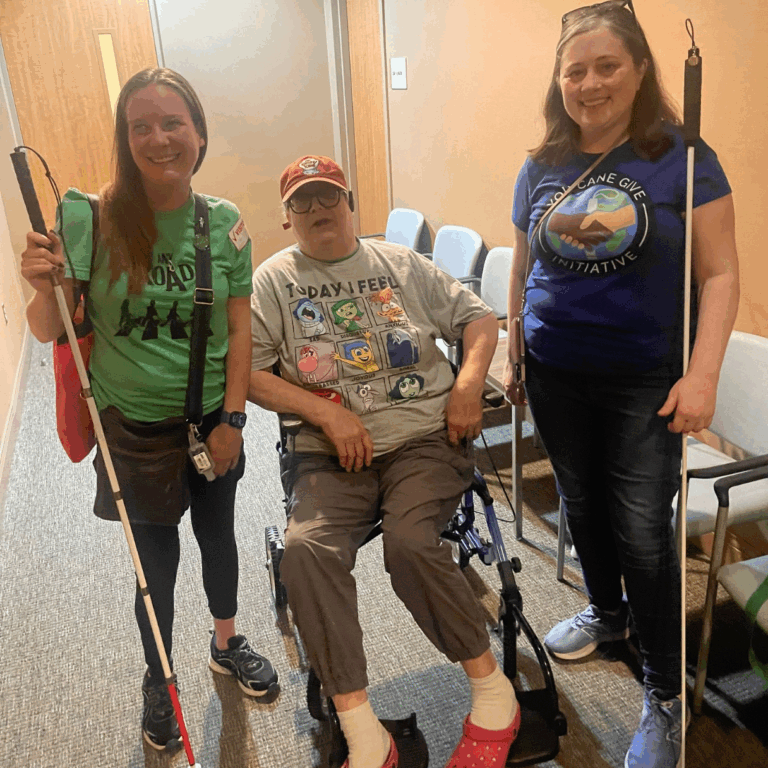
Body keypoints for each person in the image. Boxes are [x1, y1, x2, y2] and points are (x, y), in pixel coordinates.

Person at [502, 3, 739, 767]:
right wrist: (514, 349)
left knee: (642, 530)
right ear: (558, 81)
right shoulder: (542, 163)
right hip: (554, 369)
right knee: (580, 506)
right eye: (575, 70)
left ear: (640, 70)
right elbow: (521, 264)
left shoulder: (683, 156)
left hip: (644, 379)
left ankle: (665, 694)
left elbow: (722, 273)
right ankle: (607, 615)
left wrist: (702, 375)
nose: (590, 82)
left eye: (608, 66)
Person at [20, 67, 278, 751]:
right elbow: (50, 328)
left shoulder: (223, 224)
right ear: (124, 137)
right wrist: (41, 284)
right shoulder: (89, 217)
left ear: (199, 134)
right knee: (154, 569)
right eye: (141, 126)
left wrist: (233, 421)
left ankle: (227, 642)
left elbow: (241, 331)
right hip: (130, 430)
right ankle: (158, 679)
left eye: (173, 124)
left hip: (210, 421)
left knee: (218, 541)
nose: (159, 138)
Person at [249, 155, 519, 768]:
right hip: (327, 452)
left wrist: (468, 385)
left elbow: (478, 320)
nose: (318, 211)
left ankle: (491, 689)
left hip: (422, 439)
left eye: (329, 198)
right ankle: (364, 730)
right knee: (305, 550)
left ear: (351, 203)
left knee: (410, 542)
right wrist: (328, 414)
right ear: (288, 216)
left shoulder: (400, 265)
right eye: (303, 203)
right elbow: (249, 375)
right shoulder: (273, 280)